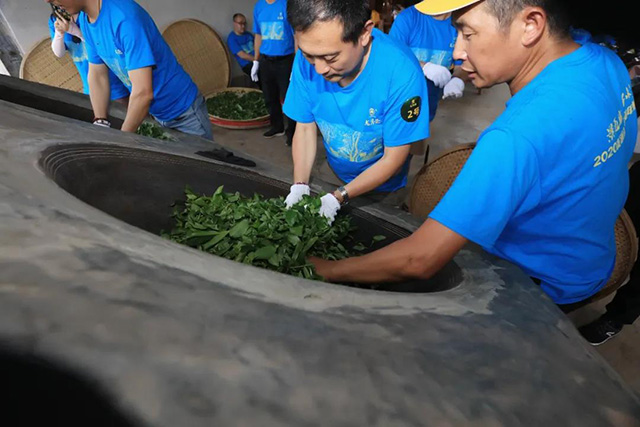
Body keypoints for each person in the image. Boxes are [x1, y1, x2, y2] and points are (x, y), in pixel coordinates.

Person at [309, 0, 637, 313]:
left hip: (539, 286)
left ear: (531, 25)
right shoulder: (604, 62)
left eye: (468, 33)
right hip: (591, 258)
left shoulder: (515, 138)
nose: (457, 52)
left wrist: (326, 270)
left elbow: (419, 259)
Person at [282, 0, 430, 223]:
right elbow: (304, 128)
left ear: (364, 33)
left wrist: (338, 197)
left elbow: (393, 157)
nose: (319, 69)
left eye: (331, 58)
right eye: (308, 55)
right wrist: (300, 185)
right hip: (333, 171)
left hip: (383, 187)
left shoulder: (401, 73)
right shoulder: (308, 60)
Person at [46, 0, 213, 140]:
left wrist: (122, 140)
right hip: (158, 113)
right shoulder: (86, 20)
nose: (48, 1)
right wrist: (100, 121)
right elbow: (97, 74)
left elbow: (143, 93)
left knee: (207, 171)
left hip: (184, 112)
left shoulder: (124, 19)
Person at [390, 2, 466, 124]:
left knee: (423, 130)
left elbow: (461, 65)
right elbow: (392, 55)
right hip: (399, 97)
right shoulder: (408, 18)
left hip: (430, 99)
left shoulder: (458, 25)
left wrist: (457, 80)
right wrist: (424, 67)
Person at [48, 6, 129, 103]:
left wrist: (76, 32)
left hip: (113, 81)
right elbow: (59, 53)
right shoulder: (55, 19)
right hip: (89, 85)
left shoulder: (88, 15)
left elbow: (100, 45)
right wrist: (59, 33)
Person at [251, 0, 297, 145]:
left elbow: (296, 36)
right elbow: (258, 35)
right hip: (266, 61)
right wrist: (255, 61)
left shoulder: (286, 5)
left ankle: (293, 133)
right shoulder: (259, 7)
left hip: (284, 61)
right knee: (270, 97)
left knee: (288, 98)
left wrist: (297, 64)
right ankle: (277, 127)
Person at [227, 13, 259, 83]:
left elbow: (257, 46)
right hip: (247, 64)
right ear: (234, 23)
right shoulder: (232, 38)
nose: (243, 26)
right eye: (240, 23)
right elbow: (242, 55)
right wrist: (257, 60)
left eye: (244, 23)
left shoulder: (248, 34)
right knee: (263, 74)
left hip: (257, 59)